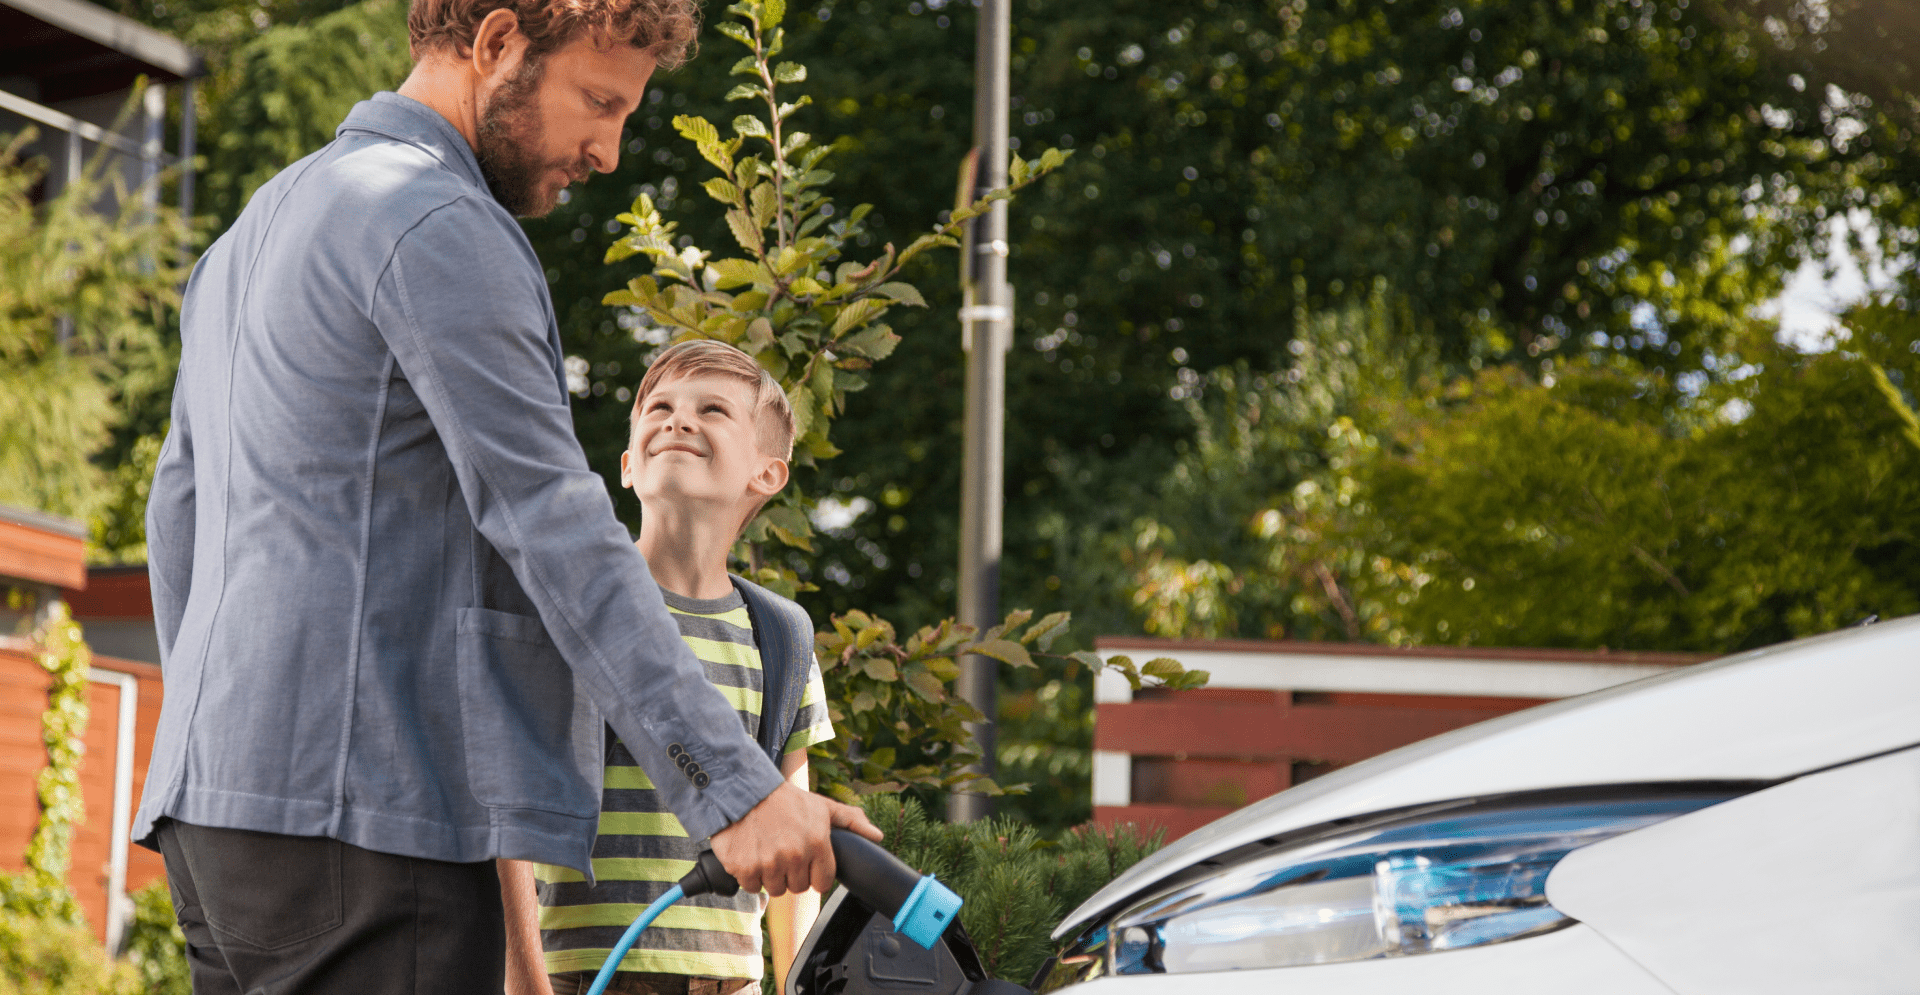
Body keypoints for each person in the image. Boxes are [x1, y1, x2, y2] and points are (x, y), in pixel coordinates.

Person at [134, 2, 878, 992]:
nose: (609, 150)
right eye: (599, 102)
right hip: (370, 823)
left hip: (217, 817)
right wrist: (733, 790)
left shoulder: (249, 235)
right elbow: (553, 520)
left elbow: (175, 522)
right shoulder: (439, 221)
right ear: (496, 45)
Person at [500, 340, 834, 995]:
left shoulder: (781, 638)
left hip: (727, 981)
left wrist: (794, 984)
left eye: (712, 409)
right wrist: (523, 979)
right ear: (627, 465)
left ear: (767, 473)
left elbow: (789, 837)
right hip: (575, 973)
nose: (679, 420)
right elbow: (504, 806)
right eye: (659, 407)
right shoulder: (569, 608)